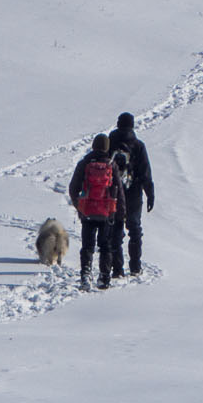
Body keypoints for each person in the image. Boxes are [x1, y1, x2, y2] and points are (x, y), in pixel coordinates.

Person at [67, 133, 123, 290]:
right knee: (105, 246)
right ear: (107, 147)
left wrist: (80, 207)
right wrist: (120, 213)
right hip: (106, 213)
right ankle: (104, 277)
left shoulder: (84, 163)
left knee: (87, 246)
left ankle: (85, 275)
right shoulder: (111, 165)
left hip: (88, 212)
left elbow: (73, 188)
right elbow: (118, 192)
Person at [108, 110, 156, 276]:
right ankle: (135, 267)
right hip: (133, 193)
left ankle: (117, 269)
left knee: (115, 231)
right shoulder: (138, 145)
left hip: (113, 193)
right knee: (134, 229)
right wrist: (150, 194)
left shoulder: (110, 143)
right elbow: (145, 173)